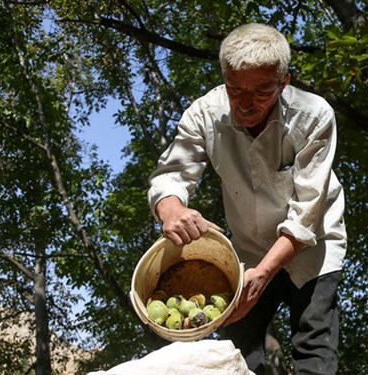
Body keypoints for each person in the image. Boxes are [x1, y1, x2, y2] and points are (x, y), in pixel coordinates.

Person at [147, 23, 347, 375]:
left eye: (262, 90)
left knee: (314, 348)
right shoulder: (204, 113)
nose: (245, 102)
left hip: (314, 249)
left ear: (284, 82)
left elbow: (306, 217)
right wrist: (172, 208)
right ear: (225, 78)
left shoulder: (315, 116)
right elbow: (170, 175)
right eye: (235, 88)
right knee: (234, 352)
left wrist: (266, 273)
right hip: (248, 252)